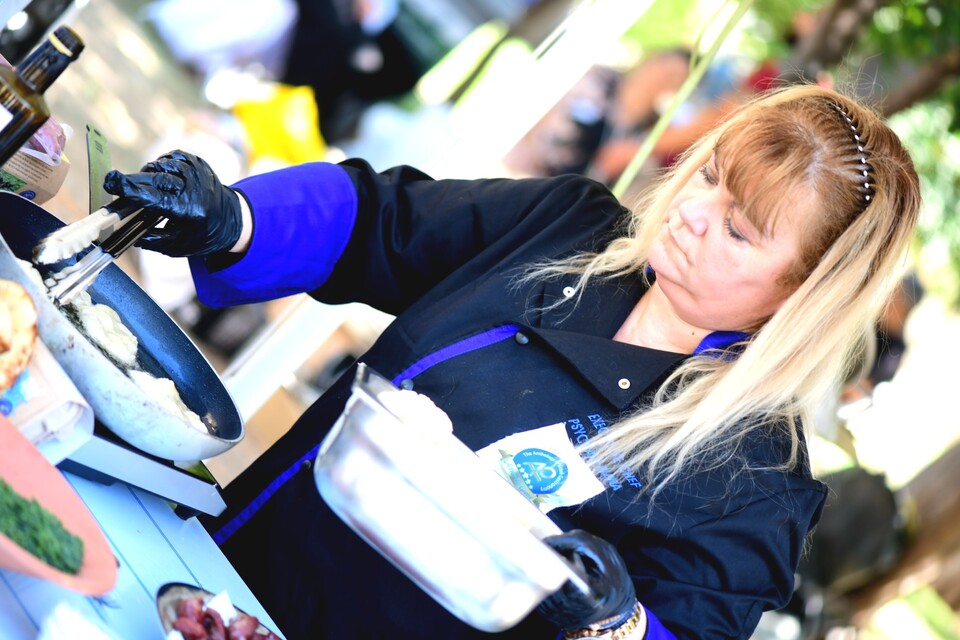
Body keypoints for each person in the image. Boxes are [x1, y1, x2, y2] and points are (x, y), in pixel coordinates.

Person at [103, 84, 920, 639]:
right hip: (221, 580)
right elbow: (382, 223)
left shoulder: (756, 487)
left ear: (801, 293)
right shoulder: (571, 228)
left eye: (739, 229)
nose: (694, 212)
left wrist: (621, 622)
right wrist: (235, 219)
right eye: (708, 174)